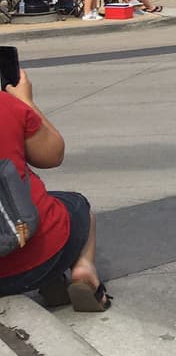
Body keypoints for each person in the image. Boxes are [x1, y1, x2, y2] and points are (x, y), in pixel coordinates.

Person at [0, 71, 110, 311]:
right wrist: (25, 102)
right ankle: (83, 270)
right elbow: (52, 154)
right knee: (76, 205)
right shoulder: (6, 105)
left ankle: (53, 283)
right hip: (38, 257)